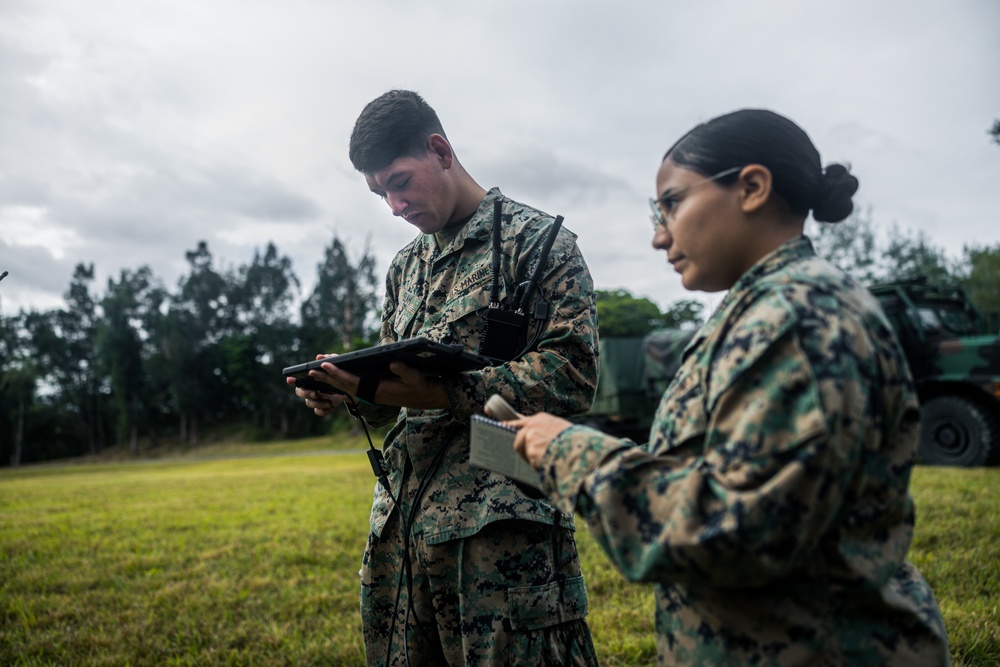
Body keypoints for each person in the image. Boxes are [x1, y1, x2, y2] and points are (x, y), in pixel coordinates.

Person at [510, 109, 951, 666]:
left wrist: (570, 451)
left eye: (671, 202)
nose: (658, 235)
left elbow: (736, 530)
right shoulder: (768, 309)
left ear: (751, 187)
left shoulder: (797, 320)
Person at [291, 89, 600, 666]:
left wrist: (446, 391)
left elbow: (573, 377)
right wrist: (349, 389)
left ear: (440, 150)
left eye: (399, 182)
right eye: (379, 192)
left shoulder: (539, 244)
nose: (394, 204)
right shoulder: (404, 269)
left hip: (500, 532)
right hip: (402, 530)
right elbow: (398, 400)